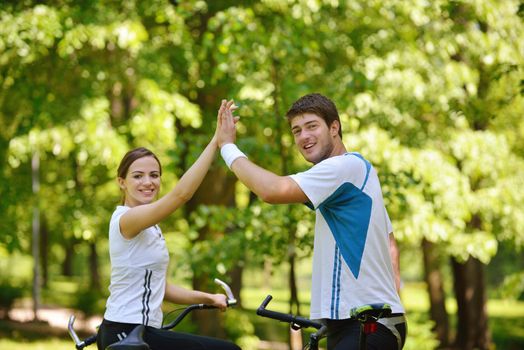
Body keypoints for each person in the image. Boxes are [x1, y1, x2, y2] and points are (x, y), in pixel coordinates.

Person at [217, 94, 407, 349]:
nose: (303, 136)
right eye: (296, 131)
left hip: (366, 323)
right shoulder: (360, 175)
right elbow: (390, 242)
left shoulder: (344, 167)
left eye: (312, 126)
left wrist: (227, 146)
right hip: (362, 321)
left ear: (334, 127)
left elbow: (271, 190)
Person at [97, 101, 241, 350]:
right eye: (138, 176)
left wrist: (208, 297)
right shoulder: (126, 219)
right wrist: (216, 142)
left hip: (142, 331)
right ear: (122, 182)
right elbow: (181, 195)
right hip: (125, 332)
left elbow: (159, 287)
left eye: (154, 175)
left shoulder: (150, 226)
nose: (148, 182)